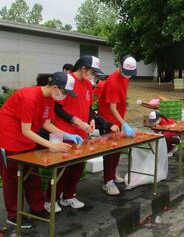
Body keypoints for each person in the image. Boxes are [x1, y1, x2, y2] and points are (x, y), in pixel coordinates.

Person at [0, 72, 81, 228]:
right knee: (12, 178)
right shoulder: (30, 97)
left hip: (27, 139)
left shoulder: (49, 98)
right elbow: (26, 130)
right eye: (65, 93)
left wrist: (68, 135)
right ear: (55, 87)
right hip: (9, 137)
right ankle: (14, 216)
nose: (65, 97)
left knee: (32, 175)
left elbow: (46, 124)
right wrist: (52, 145)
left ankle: (37, 208)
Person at [45, 55, 103, 212]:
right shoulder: (67, 81)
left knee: (77, 167)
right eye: (92, 72)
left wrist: (91, 120)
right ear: (83, 68)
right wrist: (75, 121)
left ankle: (69, 196)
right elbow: (56, 107)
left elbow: (89, 106)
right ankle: (51, 199)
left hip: (81, 133)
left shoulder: (88, 85)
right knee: (60, 168)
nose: (93, 75)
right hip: (62, 132)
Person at [97, 55, 137, 195]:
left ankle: (112, 174)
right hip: (108, 119)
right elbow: (112, 108)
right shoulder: (113, 81)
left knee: (118, 149)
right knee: (110, 151)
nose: (128, 76)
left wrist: (122, 121)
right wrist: (124, 123)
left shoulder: (125, 77)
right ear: (120, 66)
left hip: (118, 118)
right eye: (126, 72)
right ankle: (108, 182)